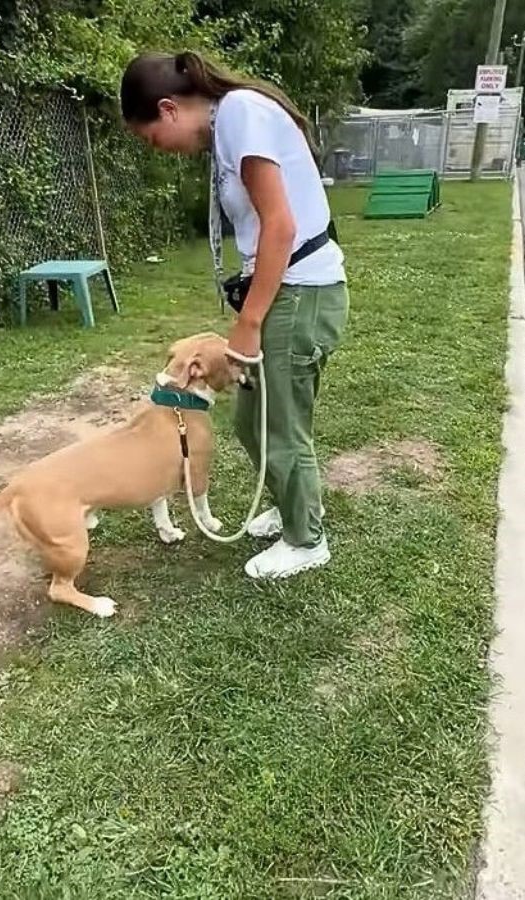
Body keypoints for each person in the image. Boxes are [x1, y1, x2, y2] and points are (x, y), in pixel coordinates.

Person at [120, 51, 349, 580]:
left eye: (153, 138)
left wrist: (248, 322)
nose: (163, 150)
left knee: (281, 424)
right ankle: (293, 510)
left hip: (299, 293)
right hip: (283, 290)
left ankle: (306, 540)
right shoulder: (231, 125)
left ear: (168, 109)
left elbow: (281, 227)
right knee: (254, 419)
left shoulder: (241, 113)